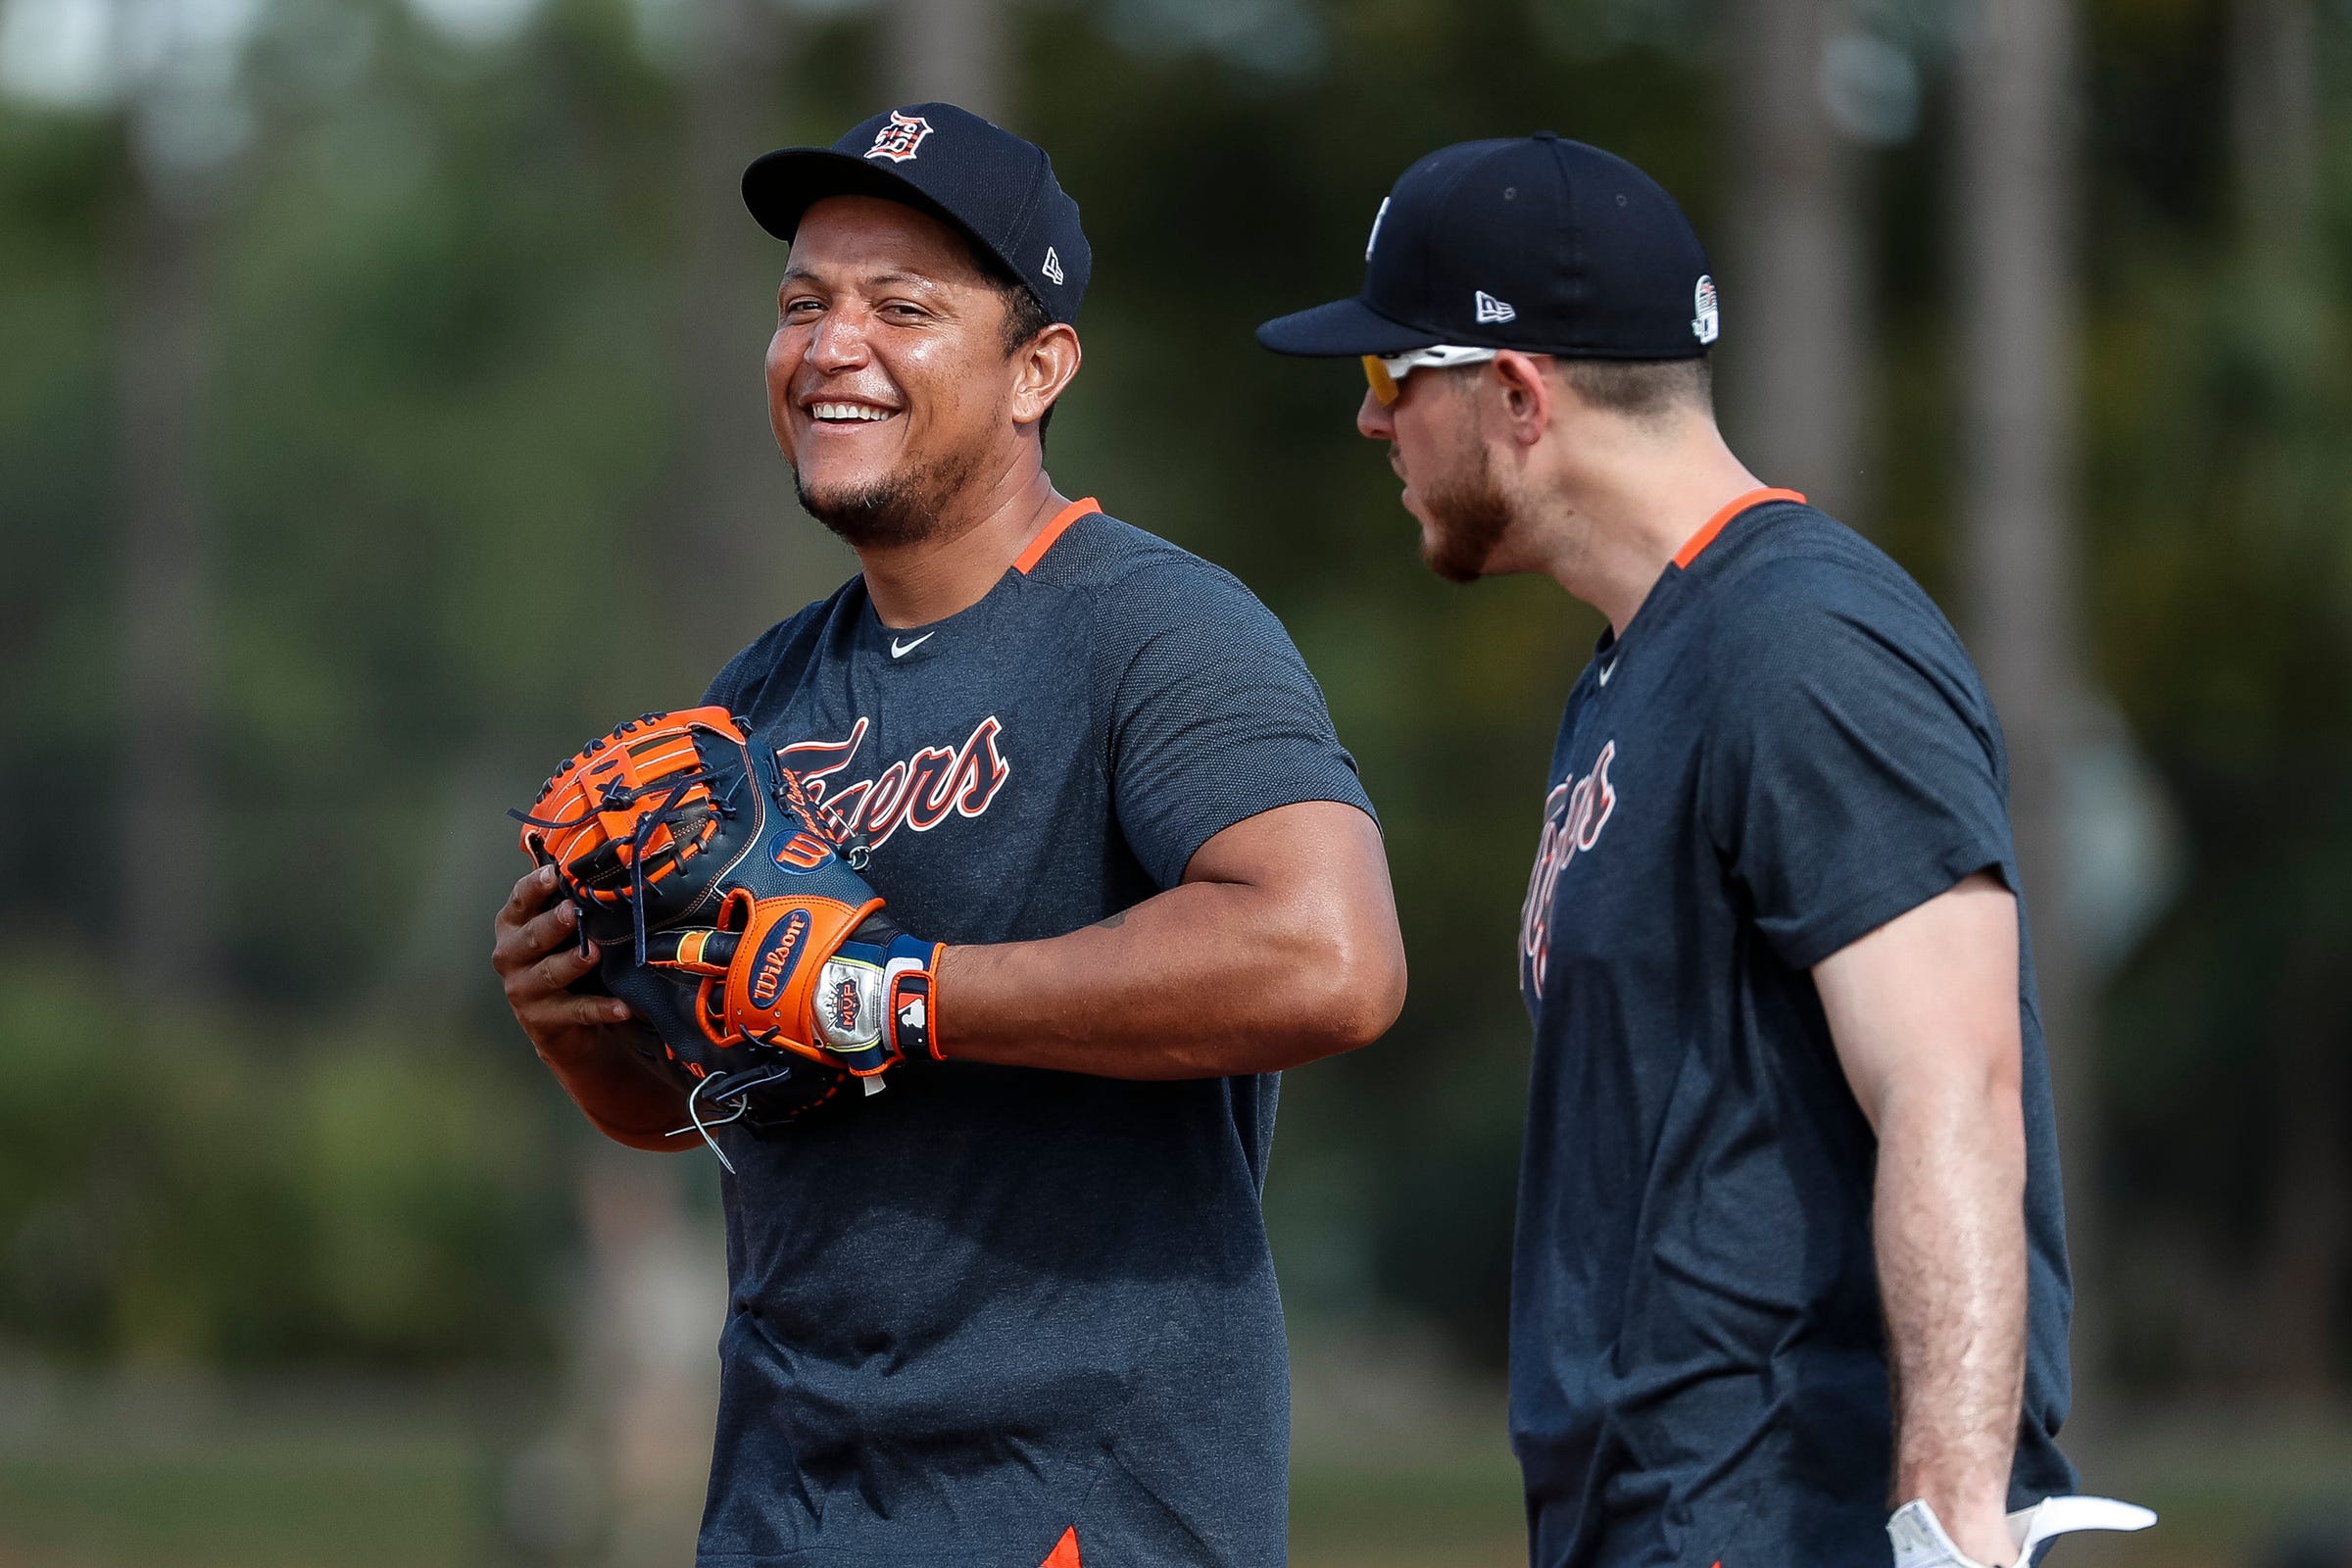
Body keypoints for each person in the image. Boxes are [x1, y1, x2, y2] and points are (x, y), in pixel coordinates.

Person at [492, 102, 1407, 1568]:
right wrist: (591, 1033)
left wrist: (888, 992)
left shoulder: (1155, 630)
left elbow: (1329, 957)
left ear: (1039, 367)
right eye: (804, 305)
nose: (831, 346)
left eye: (902, 308)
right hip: (790, 1496)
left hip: (1079, 1503)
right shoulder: (765, 692)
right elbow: (717, 1094)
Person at [1256, 134, 2076, 1567]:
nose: (1372, 423)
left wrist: (1951, 1528)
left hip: (1792, 1524)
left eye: (1394, 377)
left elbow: (1957, 1087)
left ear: (1515, 393)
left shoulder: (1804, 643)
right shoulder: (1645, 661)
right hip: (1666, 1521)